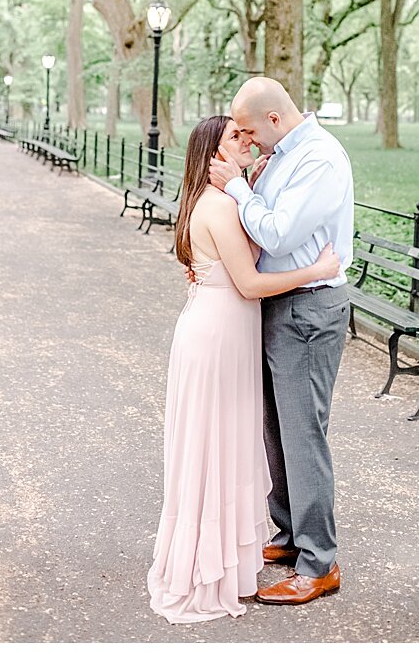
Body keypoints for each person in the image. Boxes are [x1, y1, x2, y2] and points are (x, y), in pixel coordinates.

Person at [147, 115, 341, 623]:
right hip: (217, 337)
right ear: (214, 155)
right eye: (236, 136)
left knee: (229, 442)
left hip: (220, 332)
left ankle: (232, 549)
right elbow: (251, 283)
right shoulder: (216, 206)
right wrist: (319, 271)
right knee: (216, 446)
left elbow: (251, 247)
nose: (248, 139)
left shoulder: (219, 200)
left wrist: (246, 186)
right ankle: (210, 561)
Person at [207, 77, 355, 606]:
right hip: (277, 302)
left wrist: (238, 187)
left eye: (248, 130)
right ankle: (291, 534)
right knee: (275, 431)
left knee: (302, 434)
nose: (246, 139)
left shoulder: (318, 159)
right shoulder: (281, 156)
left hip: (309, 310)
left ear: (274, 119)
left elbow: (277, 233)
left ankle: (320, 563)